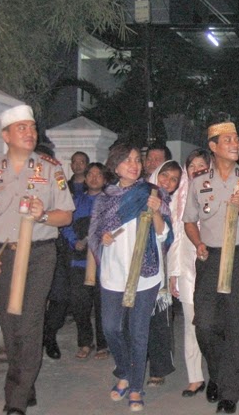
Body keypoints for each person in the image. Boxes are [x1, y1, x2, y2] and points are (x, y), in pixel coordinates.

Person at [0, 105, 74, 415]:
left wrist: (44, 215)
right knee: (10, 324)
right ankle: (26, 384)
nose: (30, 133)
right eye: (22, 128)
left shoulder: (51, 170)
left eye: (33, 127)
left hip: (39, 254)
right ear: (5, 136)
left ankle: (15, 398)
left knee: (29, 323)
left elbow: (66, 216)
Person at [183, 118, 239, 414]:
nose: (236, 144)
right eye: (228, 140)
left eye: (237, 140)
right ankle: (217, 374)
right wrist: (198, 243)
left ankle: (230, 392)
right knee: (204, 324)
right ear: (213, 146)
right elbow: (189, 221)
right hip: (210, 258)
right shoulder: (198, 183)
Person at [88, 143, 172, 412]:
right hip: (113, 274)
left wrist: (156, 210)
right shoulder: (104, 199)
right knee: (111, 328)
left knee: (138, 333)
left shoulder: (150, 192)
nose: (134, 165)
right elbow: (95, 233)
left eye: (137, 159)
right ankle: (124, 370)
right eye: (127, 160)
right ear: (115, 166)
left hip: (146, 275)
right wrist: (103, 237)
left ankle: (135, 386)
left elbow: (165, 235)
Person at [167, 149, 210, 397]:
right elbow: (175, 238)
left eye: (201, 164)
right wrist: (173, 272)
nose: (196, 169)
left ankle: (217, 374)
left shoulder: (216, 191)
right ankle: (195, 377)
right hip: (186, 267)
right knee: (190, 323)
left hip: (211, 266)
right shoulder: (178, 197)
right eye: (191, 165)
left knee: (212, 324)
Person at [60, 162, 109, 360]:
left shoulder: (110, 202)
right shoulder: (76, 201)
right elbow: (65, 224)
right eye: (90, 174)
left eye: (99, 175)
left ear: (105, 179)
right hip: (79, 262)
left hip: (104, 262)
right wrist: (75, 241)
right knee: (80, 305)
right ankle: (85, 342)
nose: (94, 178)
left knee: (102, 305)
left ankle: (103, 344)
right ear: (85, 178)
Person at [146, 160, 182, 387]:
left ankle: (158, 369)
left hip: (160, 268)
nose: (167, 182)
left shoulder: (169, 204)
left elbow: (169, 239)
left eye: (174, 180)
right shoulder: (139, 195)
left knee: (159, 320)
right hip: (134, 269)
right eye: (164, 175)